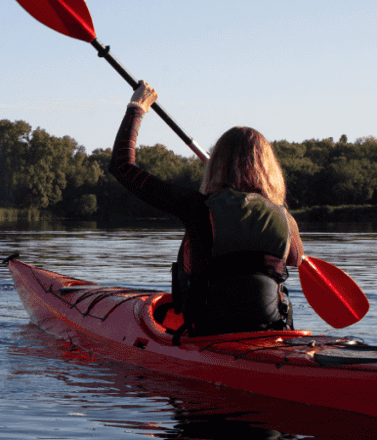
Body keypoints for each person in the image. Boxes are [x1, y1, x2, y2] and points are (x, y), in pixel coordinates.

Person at [111, 81, 303, 336]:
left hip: (208, 334)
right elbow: (296, 260)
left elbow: (122, 166)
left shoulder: (196, 207)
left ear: (216, 165)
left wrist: (136, 108)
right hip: (271, 332)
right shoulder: (285, 219)